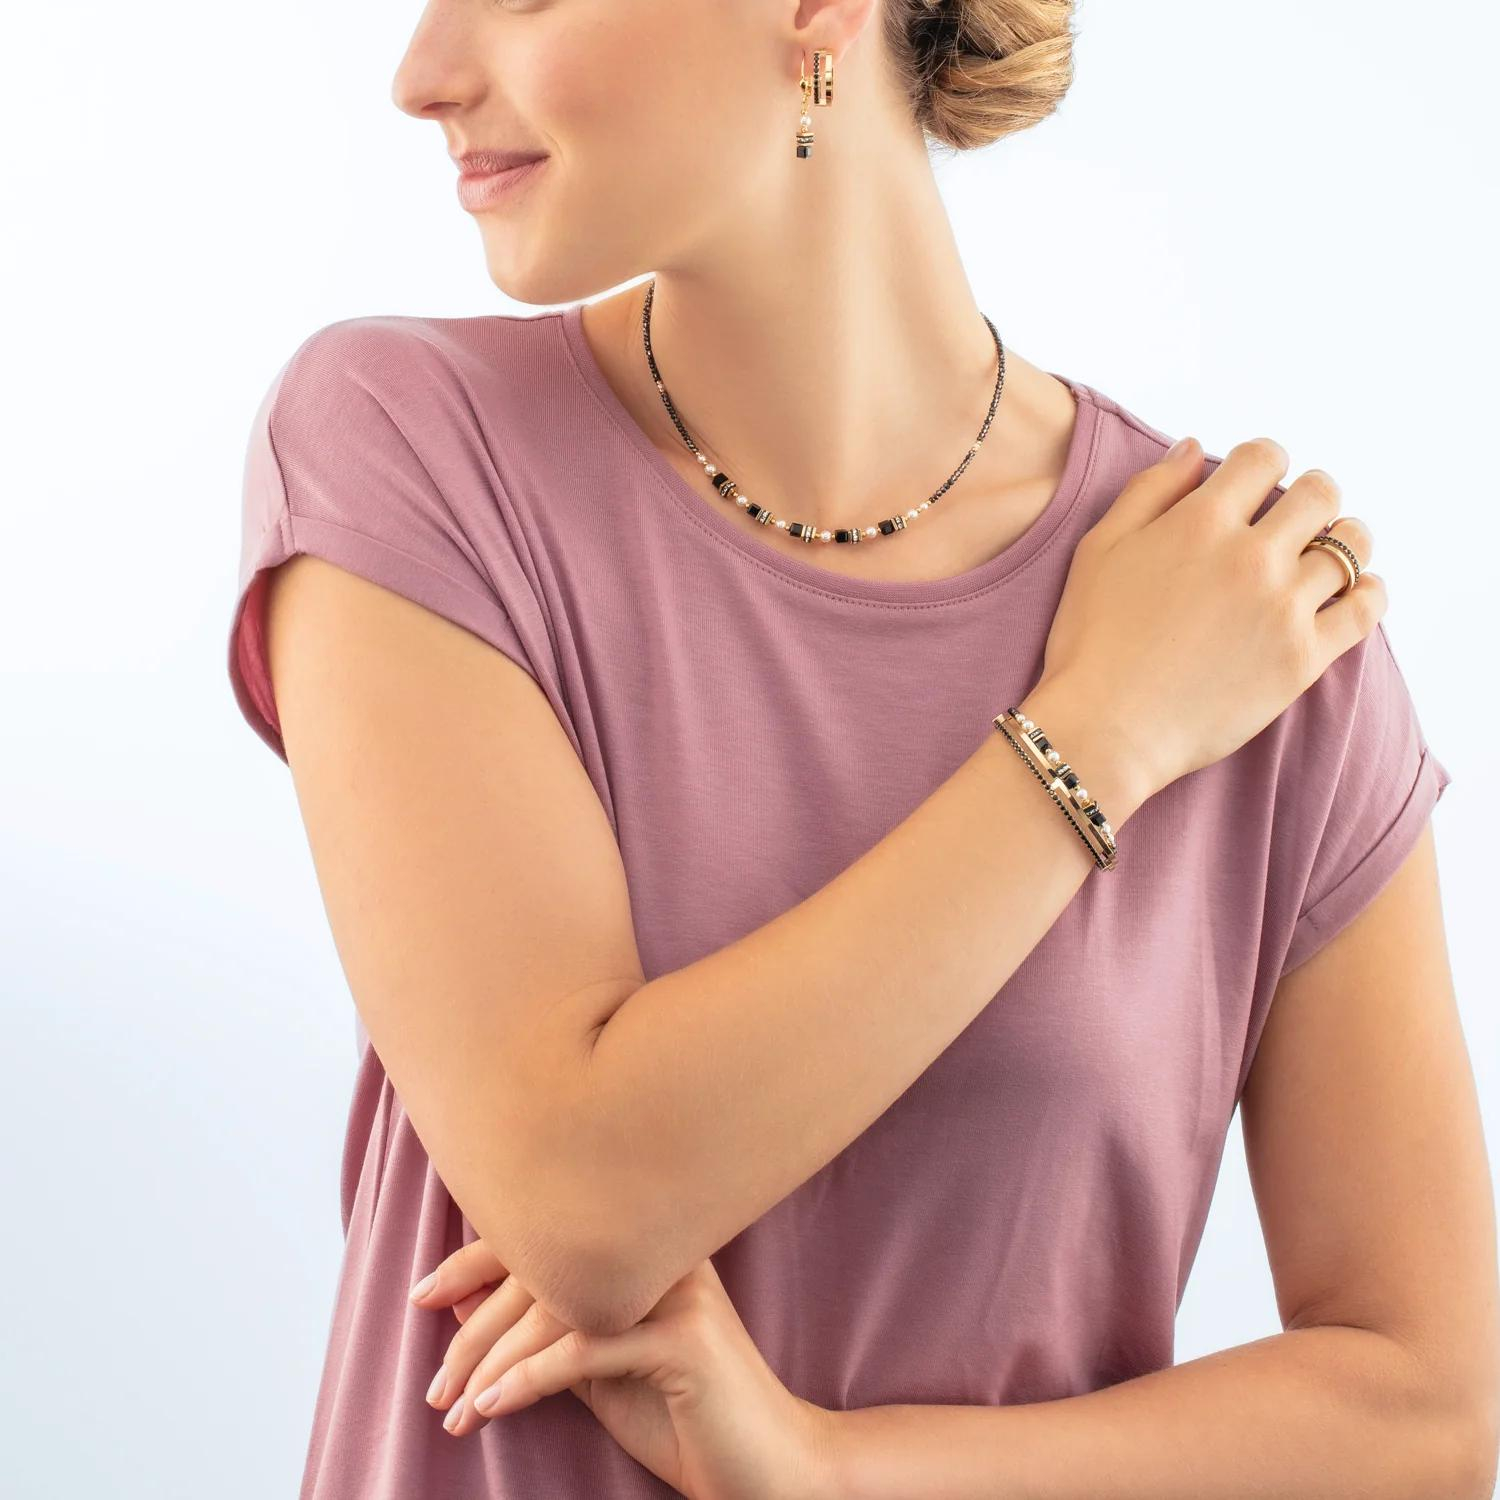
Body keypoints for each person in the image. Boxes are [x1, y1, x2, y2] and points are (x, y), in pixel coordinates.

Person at [227, 2, 1498, 1497]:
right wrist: (1098, 735)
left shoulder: (1242, 610)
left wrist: (828, 1472)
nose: (421, 77)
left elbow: (1432, 1412)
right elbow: (579, 1199)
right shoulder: (413, 452)